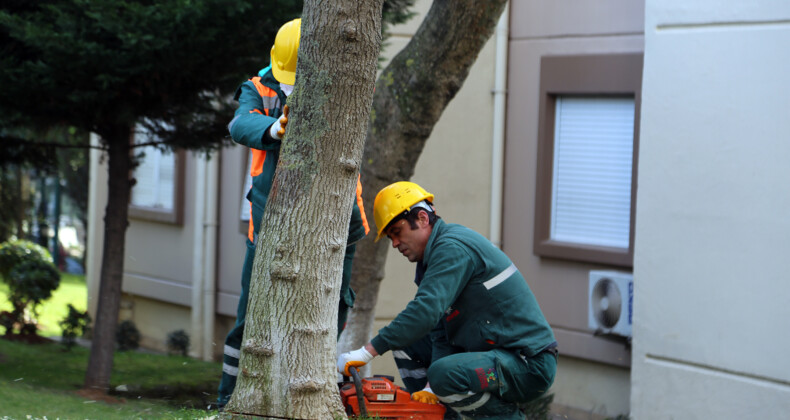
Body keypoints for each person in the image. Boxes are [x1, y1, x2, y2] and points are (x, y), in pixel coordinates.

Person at [217, 18, 369, 409]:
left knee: (331, 309)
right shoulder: (259, 87)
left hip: (339, 221)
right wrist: (274, 130)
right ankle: (226, 402)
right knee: (250, 315)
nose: (289, 88)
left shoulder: (343, 86)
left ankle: (317, 398)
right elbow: (240, 124)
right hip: (267, 221)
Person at [337, 181, 557, 420]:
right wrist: (430, 388)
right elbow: (440, 332)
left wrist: (368, 351)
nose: (395, 244)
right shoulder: (429, 263)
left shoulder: (451, 248)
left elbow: (425, 313)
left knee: (444, 373)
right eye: (390, 238)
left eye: (397, 232)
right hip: (493, 357)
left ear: (422, 218)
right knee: (408, 343)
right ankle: (433, 414)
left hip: (527, 365)